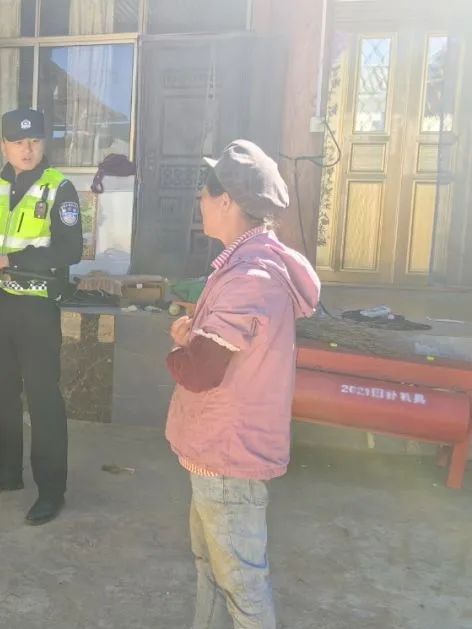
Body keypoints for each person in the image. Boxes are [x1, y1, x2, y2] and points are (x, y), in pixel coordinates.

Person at [164, 140, 320, 629]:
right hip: (220, 451)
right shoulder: (248, 265)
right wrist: (195, 339)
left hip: (228, 455)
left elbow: (201, 371)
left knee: (241, 584)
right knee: (213, 569)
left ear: (226, 200)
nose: (200, 201)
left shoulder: (250, 277)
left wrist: (179, 348)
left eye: (205, 193)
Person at [0, 108, 83, 525]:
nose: (27, 149)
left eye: (34, 141)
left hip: (37, 309)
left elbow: (70, 250)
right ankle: (8, 470)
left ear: (44, 143)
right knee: (3, 393)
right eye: (18, 142)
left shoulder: (59, 188)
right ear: (4, 146)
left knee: (42, 398)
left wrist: (8, 260)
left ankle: (51, 489)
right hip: (0, 305)